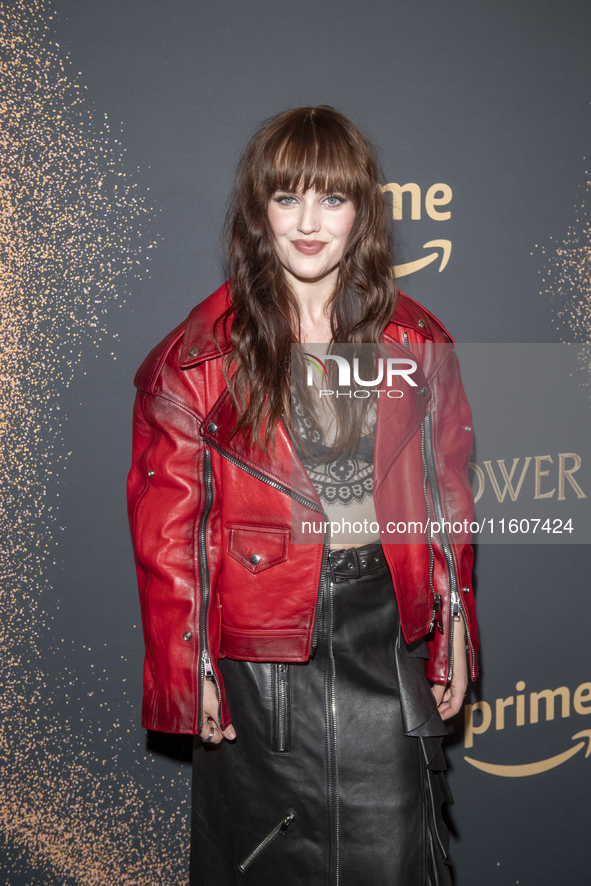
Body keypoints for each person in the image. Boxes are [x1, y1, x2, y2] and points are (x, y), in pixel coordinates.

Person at [127, 106, 478, 885]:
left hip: (383, 640)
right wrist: (190, 671)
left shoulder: (416, 343)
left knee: (396, 861)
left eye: (332, 198)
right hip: (260, 660)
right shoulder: (194, 361)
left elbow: (446, 497)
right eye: (287, 198)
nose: (310, 222)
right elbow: (168, 539)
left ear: (363, 212)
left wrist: (454, 619)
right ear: (259, 211)